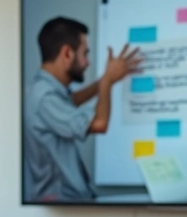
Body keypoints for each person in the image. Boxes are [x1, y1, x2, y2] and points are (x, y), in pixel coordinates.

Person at [24, 16, 141, 201]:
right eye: (85, 53)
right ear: (67, 53)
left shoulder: (46, 91)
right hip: (61, 206)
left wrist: (106, 79)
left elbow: (71, 101)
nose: (87, 62)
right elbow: (99, 124)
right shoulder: (44, 97)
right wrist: (107, 82)